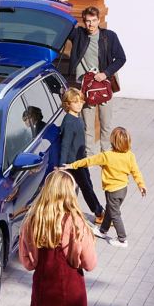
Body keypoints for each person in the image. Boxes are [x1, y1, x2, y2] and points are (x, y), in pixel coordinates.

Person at [19, 170, 97, 306]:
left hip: (44, 289)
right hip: (70, 294)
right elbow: (90, 264)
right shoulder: (77, 222)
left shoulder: (33, 221)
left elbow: (28, 263)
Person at [53, 0, 126, 156]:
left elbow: (121, 58)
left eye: (93, 21)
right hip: (86, 88)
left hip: (103, 86)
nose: (90, 24)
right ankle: (90, 156)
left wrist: (105, 73)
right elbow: (63, 23)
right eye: (87, 21)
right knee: (87, 125)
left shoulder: (109, 37)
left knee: (106, 123)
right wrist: (61, 4)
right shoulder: (78, 34)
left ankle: (106, 153)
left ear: (99, 20)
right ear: (83, 22)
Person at [62, 127, 147, 248]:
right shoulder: (130, 156)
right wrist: (141, 185)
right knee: (110, 209)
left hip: (112, 191)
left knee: (114, 214)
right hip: (123, 190)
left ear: (112, 141)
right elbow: (136, 172)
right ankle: (103, 230)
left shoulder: (107, 156)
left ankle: (122, 239)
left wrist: (72, 165)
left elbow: (88, 161)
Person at [59, 88, 105, 224]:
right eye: (75, 102)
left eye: (81, 101)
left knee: (88, 185)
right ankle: (99, 213)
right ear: (67, 104)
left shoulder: (77, 117)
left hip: (81, 159)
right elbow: (65, 144)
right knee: (85, 187)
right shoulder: (69, 122)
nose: (80, 104)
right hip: (73, 163)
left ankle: (98, 211)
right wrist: (62, 165)